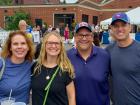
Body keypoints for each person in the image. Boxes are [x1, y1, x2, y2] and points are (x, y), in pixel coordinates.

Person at [67, 22, 110, 105]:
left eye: (87, 35)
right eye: (80, 35)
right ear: (75, 37)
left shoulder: (105, 56)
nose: (84, 38)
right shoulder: (67, 57)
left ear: (92, 37)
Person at [31, 32, 76, 105]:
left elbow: (71, 97)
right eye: (50, 43)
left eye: (57, 43)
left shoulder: (65, 69)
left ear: (61, 46)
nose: (54, 46)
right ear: (44, 45)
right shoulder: (35, 67)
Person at [106, 12, 140, 105]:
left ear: (130, 27)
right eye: (116, 26)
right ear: (112, 29)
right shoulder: (108, 50)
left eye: (123, 25)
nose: (120, 29)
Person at [0, 31, 35, 104]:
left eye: (23, 43)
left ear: (28, 47)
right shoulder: (1, 64)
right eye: (15, 44)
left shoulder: (32, 65)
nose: (19, 47)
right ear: (10, 48)